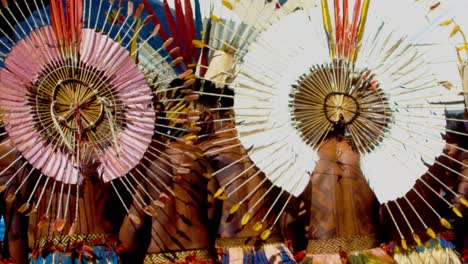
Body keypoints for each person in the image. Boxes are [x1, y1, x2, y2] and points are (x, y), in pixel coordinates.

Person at [119, 139, 216, 264]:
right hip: (198, 251)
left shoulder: (142, 163)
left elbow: (135, 221)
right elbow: (212, 210)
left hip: (160, 254)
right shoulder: (196, 154)